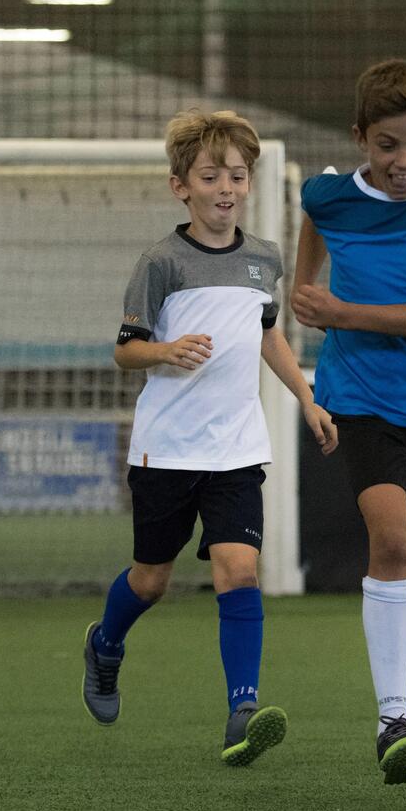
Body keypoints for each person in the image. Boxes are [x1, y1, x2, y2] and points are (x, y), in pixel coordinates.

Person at [81, 109, 338, 768]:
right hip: (166, 449)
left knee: (239, 569)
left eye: (237, 175)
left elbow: (267, 333)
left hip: (236, 449)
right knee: (151, 580)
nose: (226, 187)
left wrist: (307, 398)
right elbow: (125, 352)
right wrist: (166, 349)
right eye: (210, 175)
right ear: (181, 187)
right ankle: (105, 646)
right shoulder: (160, 262)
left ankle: (242, 710)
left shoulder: (264, 260)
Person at [291, 59, 406, 785]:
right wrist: (308, 290)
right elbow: (314, 226)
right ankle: (391, 718)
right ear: (360, 138)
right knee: (393, 544)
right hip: (361, 400)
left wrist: (336, 310)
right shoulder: (327, 195)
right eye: (389, 145)